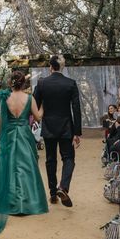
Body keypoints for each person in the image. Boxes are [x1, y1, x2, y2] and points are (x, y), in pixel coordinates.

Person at [0, 71, 47, 234]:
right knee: (25, 168)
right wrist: (44, 106)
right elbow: (37, 118)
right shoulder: (29, 98)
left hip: (9, 136)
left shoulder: (5, 98)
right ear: (24, 84)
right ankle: (26, 203)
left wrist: (2, 139)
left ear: (11, 82)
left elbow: (0, 125)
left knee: (7, 167)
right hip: (24, 135)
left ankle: (6, 200)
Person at [33, 54, 82, 207]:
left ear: (50, 67)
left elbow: (35, 103)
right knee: (68, 158)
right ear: (62, 67)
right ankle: (63, 187)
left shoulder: (41, 83)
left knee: (50, 159)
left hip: (48, 126)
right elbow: (76, 109)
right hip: (66, 126)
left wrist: (39, 118)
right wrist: (77, 132)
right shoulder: (71, 84)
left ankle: (53, 193)